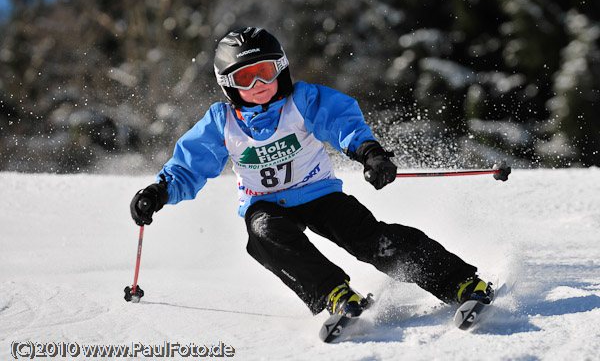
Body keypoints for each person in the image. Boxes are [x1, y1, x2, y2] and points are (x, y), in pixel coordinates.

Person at [130, 27, 492, 318]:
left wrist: (370, 154)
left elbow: (341, 122)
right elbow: (190, 164)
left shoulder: (301, 101)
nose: (258, 86)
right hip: (265, 203)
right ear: (228, 85)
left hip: (318, 193)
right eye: (245, 79)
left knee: (370, 240)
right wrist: (159, 191)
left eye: (265, 73)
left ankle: (458, 281)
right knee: (263, 236)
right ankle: (331, 291)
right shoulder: (221, 122)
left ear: (281, 68)